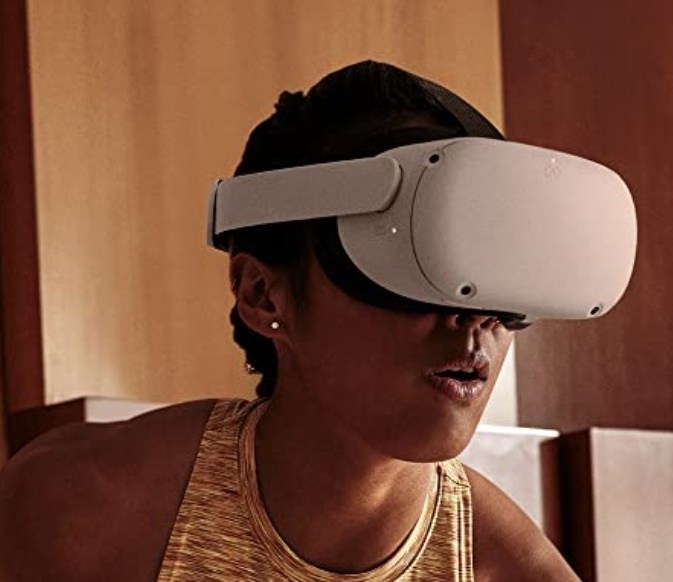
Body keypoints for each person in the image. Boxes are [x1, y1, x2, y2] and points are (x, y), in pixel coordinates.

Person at [0, 61, 579, 581]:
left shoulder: (511, 570)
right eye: (414, 261)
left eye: (494, 273)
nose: (475, 316)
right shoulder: (78, 508)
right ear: (262, 295)